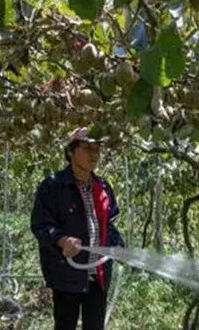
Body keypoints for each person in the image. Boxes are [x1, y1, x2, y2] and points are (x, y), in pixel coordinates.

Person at [31, 127, 124, 330]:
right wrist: (62, 240)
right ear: (71, 152)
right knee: (65, 325)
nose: (94, 154)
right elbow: (41, 224)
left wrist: (117, 245)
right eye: (87, 148)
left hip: (98, 275)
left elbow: (110, 225)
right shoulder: (52, 186)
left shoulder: (104, 188)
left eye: (97, 149)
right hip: (66, 275)